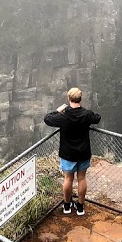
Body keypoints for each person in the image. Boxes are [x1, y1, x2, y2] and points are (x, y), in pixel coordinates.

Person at [43, 87, 101, 216]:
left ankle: (67, 206)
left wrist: (58, 111)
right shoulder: (86, 114)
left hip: (68, 154)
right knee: (82, 179)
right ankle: (80, 207)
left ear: (69, 99)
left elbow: (47, 119)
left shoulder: (64, 116)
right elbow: (97, 118)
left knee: (68, 179)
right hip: (84, 153)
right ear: (80, 99)